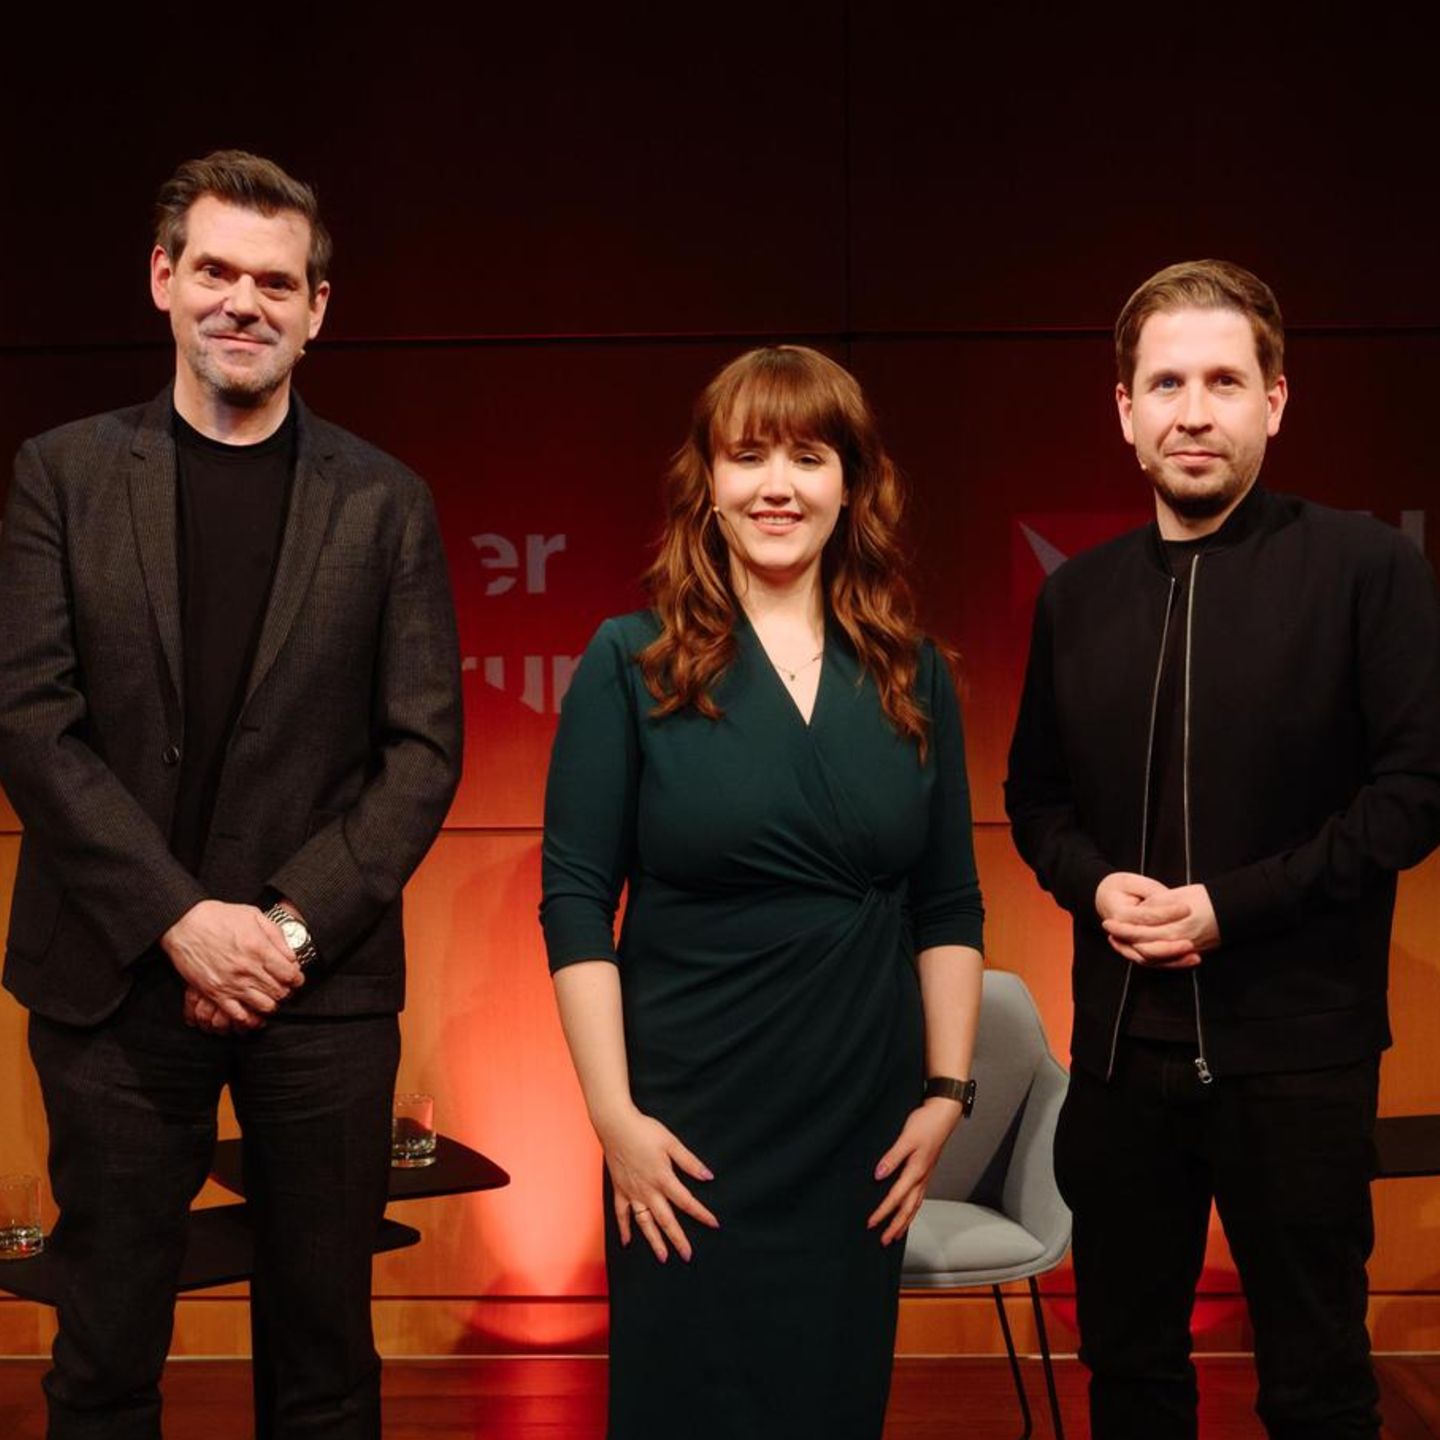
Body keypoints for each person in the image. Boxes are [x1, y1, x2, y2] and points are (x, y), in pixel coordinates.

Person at [0, 150, 463, 1440]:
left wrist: (285, 929)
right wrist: (181, 919)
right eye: (214, 270)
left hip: (321, 990)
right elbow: (30, 722)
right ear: (163, 279)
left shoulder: (386, 503)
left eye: (276, 280)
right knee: (103, 1361)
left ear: (321, 308)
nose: (242, 302)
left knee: (324, 1368)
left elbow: (422, 753)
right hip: (111, 976)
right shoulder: (63, 476)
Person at [1005, 259, 1440, 1439]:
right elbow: (1033, 801)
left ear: (1276, 401)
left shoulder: (1368, 571)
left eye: (1224, 381)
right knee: (1131, 1375)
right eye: (1167, 383)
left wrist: (1225, 909)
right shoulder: (1077, 597)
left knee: (1314, 1381)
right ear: (1126, 410)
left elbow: (1414, 793)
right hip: (1116, 1062)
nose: (1194, 410)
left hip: (1297, 1058)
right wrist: (1097, 887)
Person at [540, 345, 985, 1439]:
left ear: (852, 483)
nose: (777, 484)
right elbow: (574, 900)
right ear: (708, 482)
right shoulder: (629, 660)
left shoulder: (914, 672)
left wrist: (945, 1095)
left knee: (830, 1402)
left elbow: (950, 905)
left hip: (857, 1121)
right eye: (748, 456)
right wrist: (615, 1121)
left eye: (808, 455)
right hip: (687, 1130)